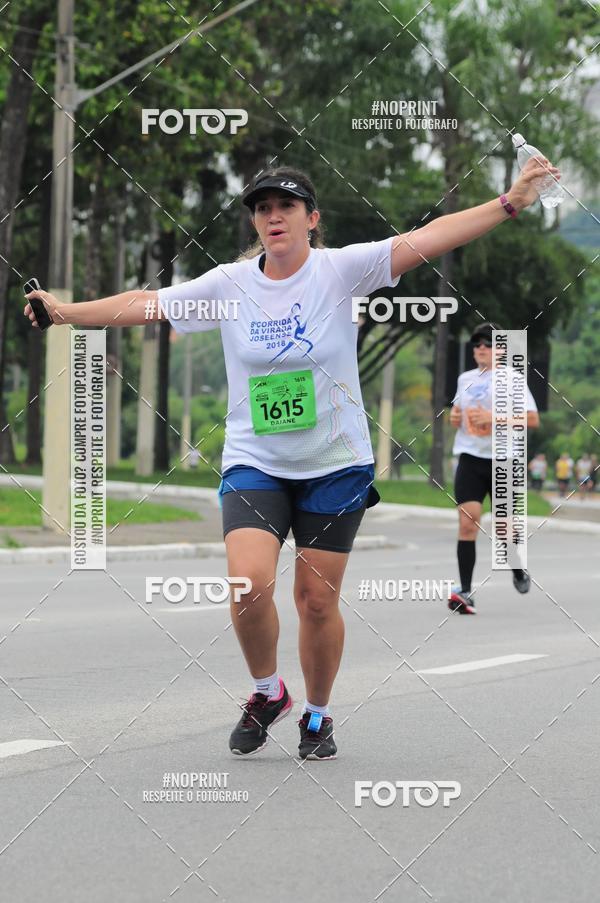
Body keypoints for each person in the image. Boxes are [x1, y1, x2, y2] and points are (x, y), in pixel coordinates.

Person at [24, 155, 559, 758]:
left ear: (312, 218)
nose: (273, 217)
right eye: (262, 208)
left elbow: (429, 237)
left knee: (315, 599)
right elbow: (148, 303)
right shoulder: (229, 286)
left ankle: (318, 714)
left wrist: (510, 201)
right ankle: (267, 691)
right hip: (256, 459)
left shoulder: (340, 271)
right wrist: (66, 314)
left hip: (336, 463)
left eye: (285, 207)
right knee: (248, 585)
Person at [448, 323, 540, 614]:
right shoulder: (465, 379)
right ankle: (464, 590)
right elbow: (457, 415)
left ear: (500, 348)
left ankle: (517, 569)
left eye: (487, 344)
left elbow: (532, 419)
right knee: (468, 520)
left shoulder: (513, 380)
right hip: (470, 456)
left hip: (504, 459)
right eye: (476, 344)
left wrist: (493, 418)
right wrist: (455, 416)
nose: (481, 349)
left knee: (504, 528)